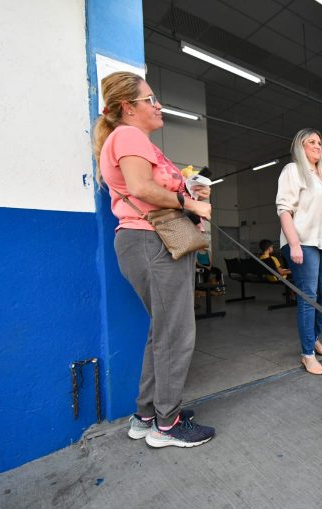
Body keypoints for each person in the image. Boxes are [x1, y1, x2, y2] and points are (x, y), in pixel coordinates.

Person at [93, 71, 215, 448]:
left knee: (161, 331)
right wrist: (189, 201)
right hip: (152, 242)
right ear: (128, 108)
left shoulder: (129, 138)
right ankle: (168, 424)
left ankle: (148, 415)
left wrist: (185, 186)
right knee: (176, 333)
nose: (157, 105)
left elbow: (147, 186)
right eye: (150, 100)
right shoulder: (129, 135)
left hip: (145, 242)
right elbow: (142, 187)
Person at [276, 128, 322, 375]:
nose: (317, 145)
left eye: (320, 141)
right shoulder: (293, 170)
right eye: (311, 142)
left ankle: (313, 337)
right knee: (309, 295)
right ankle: (307, 353)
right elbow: (284, 209)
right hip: (303, 240)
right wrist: (293, 243)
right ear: (300, 146)